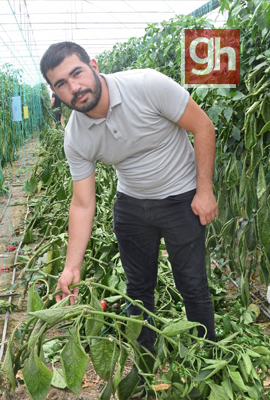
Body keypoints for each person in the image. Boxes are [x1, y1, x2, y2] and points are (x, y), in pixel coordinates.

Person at [38, 42, 218, 372]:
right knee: (137, 291)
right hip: (132, 206)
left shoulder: (146, 85)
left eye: (76, 73)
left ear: (93, 65)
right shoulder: (76, 136)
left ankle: (207, 363)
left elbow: (203, 126)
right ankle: (145, 369)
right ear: (53, 92)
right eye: (61, 84)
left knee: (192, 285)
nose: (74, 87)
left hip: (180, 199)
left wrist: (203, 191)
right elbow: (82, 202)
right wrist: (71, 266)